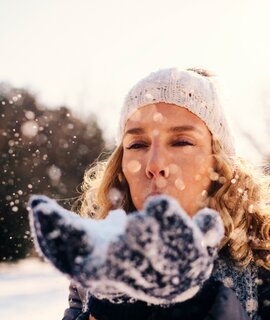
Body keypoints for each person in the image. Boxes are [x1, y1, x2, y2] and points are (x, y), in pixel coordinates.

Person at [62, 67, 270, 320]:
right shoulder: (94, 268)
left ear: (218, 162)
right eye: (137, 145)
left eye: (181, 142)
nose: (154, 165)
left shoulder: (263, 262)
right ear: (121, 166)